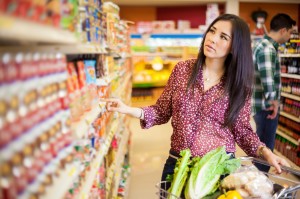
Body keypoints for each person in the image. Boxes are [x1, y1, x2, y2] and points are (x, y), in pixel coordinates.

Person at [103, 14, 290, 191]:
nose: (213, 38)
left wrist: (265, 152)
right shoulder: (183, 70)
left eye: (223, 37)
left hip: (217, 170)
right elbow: (161, 111)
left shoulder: (239, 86)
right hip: (178, 164)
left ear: (235, 46)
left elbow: (241, 130)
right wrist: (127, 109)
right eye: (212, 31)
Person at [252, 13, 296, 172]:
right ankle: (259, 187)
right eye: (291, 32)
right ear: (283, 30)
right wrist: (274, 104)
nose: (290, 36)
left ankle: (258, 182)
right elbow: (268, 81)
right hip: (266, 108)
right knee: (266, 149)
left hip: (261, 106)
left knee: (261, 147)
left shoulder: (261, 44)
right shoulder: (267, 48)